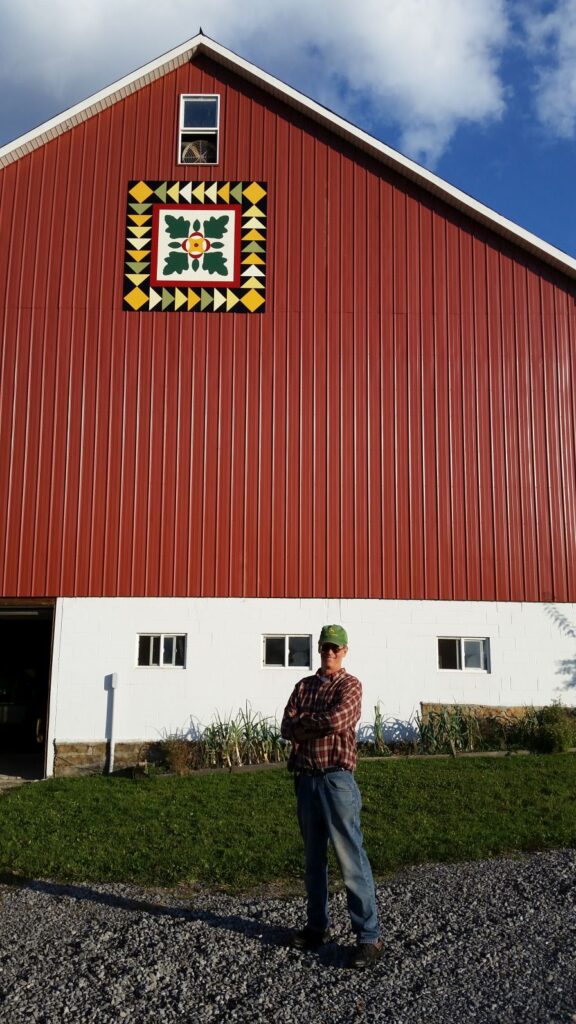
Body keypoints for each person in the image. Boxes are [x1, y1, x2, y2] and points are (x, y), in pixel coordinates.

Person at [281, 624, 382, 968]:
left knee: (350, 860)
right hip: (306, 781)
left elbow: (339, 720)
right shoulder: (304, 686)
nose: (329, 653)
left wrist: (304, 724)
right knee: (313, 862)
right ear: (319, 649)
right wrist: (311, 723)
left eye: (335, 648)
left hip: (337, 781)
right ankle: (316, 927)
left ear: (345, 651)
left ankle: (368, 937)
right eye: (325, 647)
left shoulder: (350, 685)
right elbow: (285, 726)